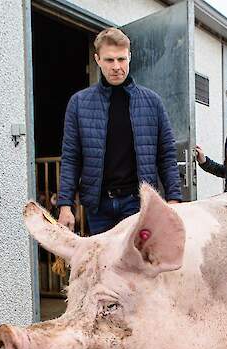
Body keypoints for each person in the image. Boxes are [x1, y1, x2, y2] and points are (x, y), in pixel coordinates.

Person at [55, 27, 182, 234]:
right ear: (97, 59)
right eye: (109, 60)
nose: (116, 67)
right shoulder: (79, 103)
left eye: (121, 59)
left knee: (139, 265)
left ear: (130, 57)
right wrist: (65, 205)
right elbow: (71, 158)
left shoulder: (152, 102)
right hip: (98, 208)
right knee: (103, 266)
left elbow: (166, 153)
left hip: (138, 203)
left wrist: (174, 199)